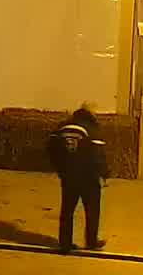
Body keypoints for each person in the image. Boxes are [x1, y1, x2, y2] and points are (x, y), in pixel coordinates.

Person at [46, 107, 108, 252]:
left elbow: (51, 149)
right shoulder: (92, 129)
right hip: (89, 176)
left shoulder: (61, 128)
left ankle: (65, 243)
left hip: (68, 176)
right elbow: (98, 154)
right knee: (92, 210)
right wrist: (104, 173)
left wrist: (60, 169)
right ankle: (91, 241)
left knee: (67, 210)